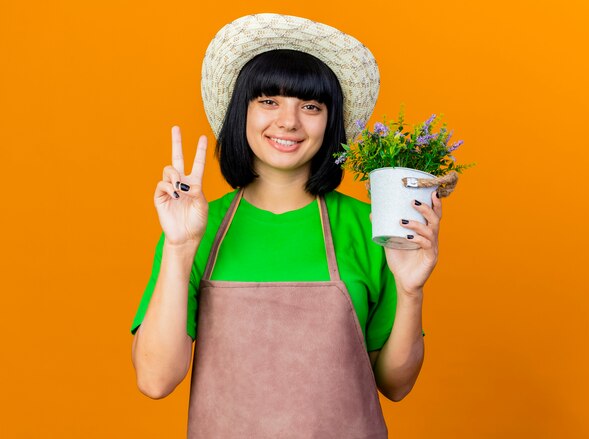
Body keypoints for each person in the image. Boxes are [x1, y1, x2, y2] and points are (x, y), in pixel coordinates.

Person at [130, 13, 441, 438]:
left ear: (330, 122)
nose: (289, 122)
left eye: (310, 106)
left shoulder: (366, 225)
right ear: (243, 110)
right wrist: (180, 248)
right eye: (269, 101)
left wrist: (410, 291)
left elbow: (396, 384)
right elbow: (154, 380)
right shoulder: (197, 226)